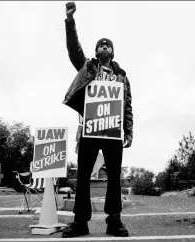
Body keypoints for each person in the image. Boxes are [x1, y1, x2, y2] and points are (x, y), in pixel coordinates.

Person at [62, 2, 134, 238]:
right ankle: (80, 222)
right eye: (100, 45)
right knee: (83, 175)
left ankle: (114, 221)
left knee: (114, 176)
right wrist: (70, 21)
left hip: (113, 130)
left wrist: (129, 131)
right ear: (96, 51)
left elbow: (128, 105)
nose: (104, 46)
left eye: (108, 45)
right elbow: (73, 48)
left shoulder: (122, 76)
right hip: (90, 128)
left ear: (113, 51)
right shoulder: (88, 67)